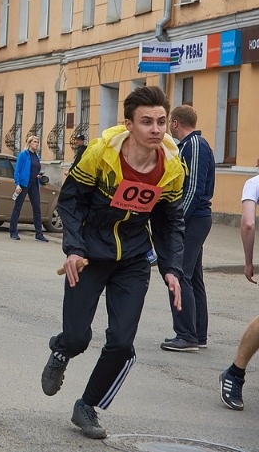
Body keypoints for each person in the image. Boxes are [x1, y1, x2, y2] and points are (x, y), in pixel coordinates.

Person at [40, 85, 184, 440]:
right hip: (90, 253)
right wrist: (73, 249)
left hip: (133, 259)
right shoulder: (100, 154)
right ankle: (61, 353)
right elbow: (71, 202)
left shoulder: (172, 166)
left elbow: (169, 221)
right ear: (129, 124)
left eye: (161, 121)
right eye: (147, 122)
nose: (156, 129)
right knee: (76, 338)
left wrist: (172, 268)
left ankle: (87, 406)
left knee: (122, 342)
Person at [161, 105, 215, 352]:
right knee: (193, 276)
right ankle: (198, 334)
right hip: (196, 218)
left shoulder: (194, 145)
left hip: (193, 219)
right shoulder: (189, 146)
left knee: (180, 273)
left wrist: (177, 221)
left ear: (174, 123)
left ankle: (186, 335)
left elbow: (193, 188)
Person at [217, 173, 259, 411]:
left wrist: (248, 261)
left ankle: (236, 373)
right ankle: (234, 372)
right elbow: (247, 224)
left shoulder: (254, 183)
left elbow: (248, 224)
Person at [9, 135, 48, 242]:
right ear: (30, 143)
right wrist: (17, 184)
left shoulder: (36, 156)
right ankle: (13, 231)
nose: (36, 144)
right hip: (23, 184)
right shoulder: (23, 155)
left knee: (37, 208)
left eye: (37, 142)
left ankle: (39, 233)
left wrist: (38, 176)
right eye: (34, 142)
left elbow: (34, 170)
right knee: (18, 207)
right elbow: (17, 170)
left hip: (34, 184)